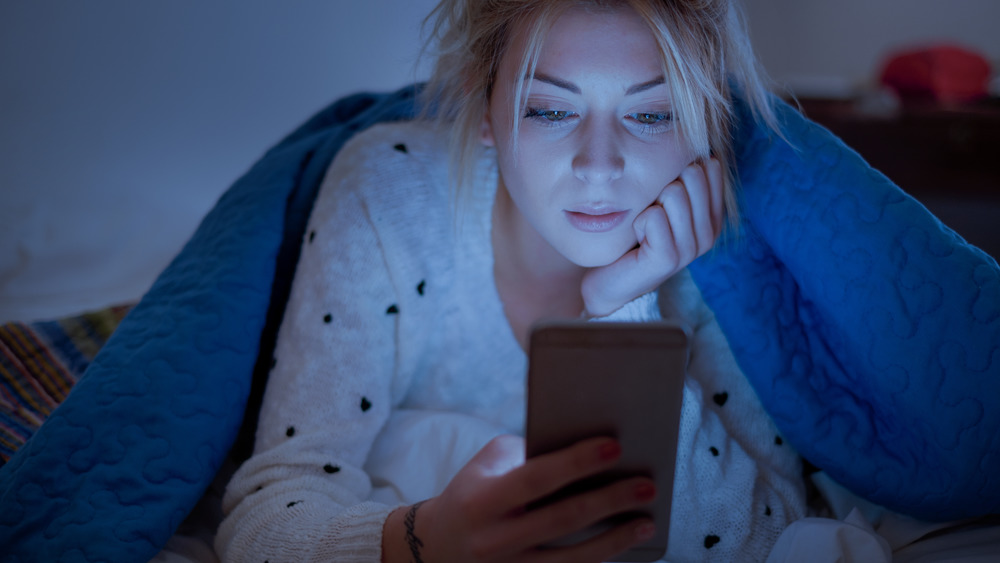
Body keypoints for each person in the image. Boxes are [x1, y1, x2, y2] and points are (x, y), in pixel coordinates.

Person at [214, 1, 807, 561]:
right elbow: (263, 518)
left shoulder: (721, 253)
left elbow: (772, 538)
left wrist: (621, 308)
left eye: (652, 114)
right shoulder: (391, 196)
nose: (598, 164)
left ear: (703, 124)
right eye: (549, 110)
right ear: (484, 113)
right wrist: (422, 541)